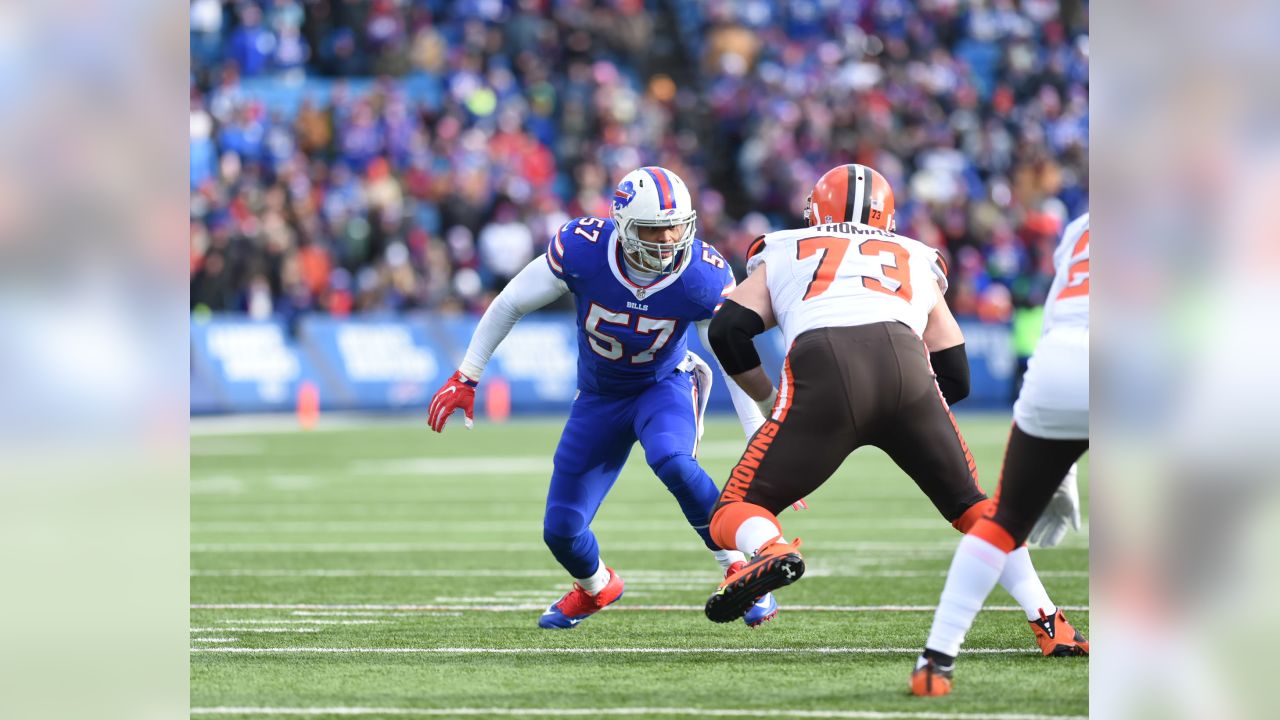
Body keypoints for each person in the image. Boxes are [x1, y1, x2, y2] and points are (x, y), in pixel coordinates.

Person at [700, 164, 1086, 662]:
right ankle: (1050, 622)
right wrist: (910, 413)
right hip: (908, 370)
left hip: (825, 367)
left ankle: (769, 547)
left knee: (733, 511)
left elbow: (727, 330)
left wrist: (771, 398)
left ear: (815, 210)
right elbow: (957, 372)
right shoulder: (914, 255)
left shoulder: (787, 246)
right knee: (976, 509)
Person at [427, 166, 780, 628]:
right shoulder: (584, 249)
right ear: (625, 226)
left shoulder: (701, 274)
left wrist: (759, 437)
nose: (671, 238)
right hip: (599, 396)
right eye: (656, 229)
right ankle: (597, 587)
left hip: (663, 385)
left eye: (678, 225)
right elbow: (511, 301)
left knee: (672, 460)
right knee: (561, 531)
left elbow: (731, 356)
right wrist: (467, 376)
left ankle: (739, 568)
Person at [909, 213, 1090, 696]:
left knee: (1003, 520)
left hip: (1057, 368)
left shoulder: (1082, 227)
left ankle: (936, 658)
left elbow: (1061, 313)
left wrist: (1063, 463)